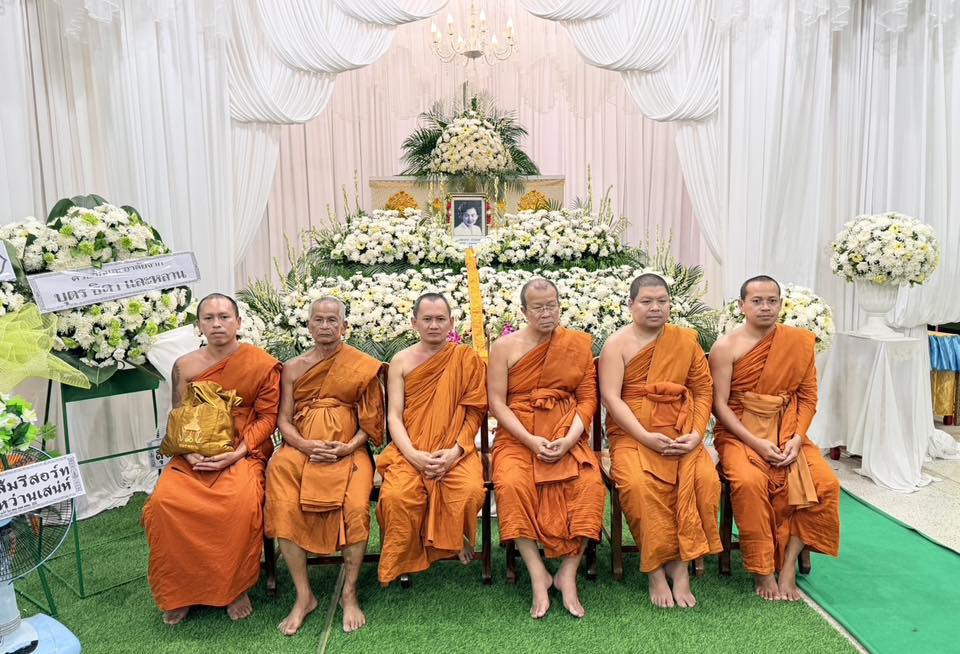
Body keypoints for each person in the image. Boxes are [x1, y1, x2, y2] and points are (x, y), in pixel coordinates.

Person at [143, 293, 281, 624]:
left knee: (239, 504)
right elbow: (178, 413)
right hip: (193, 451)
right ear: (199, 326)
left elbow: (268, 418)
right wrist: (189, 453)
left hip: (242, 451)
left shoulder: (261, 363)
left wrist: (235, 454)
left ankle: (234, 588)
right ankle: (181, 592)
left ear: (238, 323)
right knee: (164, 504)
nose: (217, 324)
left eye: (224, 317)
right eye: (209, 318)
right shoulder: (185, 365)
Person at [710, 275, 840, 601]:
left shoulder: (798, 342)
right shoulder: (725, 347)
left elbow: (808, 398)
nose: (765, 307)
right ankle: (763, 569)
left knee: (824, 484)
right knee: (749, 482)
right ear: (742, 306)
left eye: (772, 301)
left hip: (787, 431)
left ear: (781, 305)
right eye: (757, 301)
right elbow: (719, 405)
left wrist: (797, 438)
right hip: (739, 433)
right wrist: (755, 443)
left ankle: (789, 564)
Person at [599, 274, 721, 608]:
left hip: (681, 431)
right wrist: (644, 436)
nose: (656, 307)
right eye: (647, 301)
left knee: (704, 480)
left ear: (670, 304)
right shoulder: (617, 345)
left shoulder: (685, 340)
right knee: (638, 486)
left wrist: (696, 434)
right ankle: (654, 570)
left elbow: (702, 389)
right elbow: (611, 398)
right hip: (632, 434)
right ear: (631, 305)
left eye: (662, 301)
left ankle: (680, 567)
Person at [265, 297, 383, 635]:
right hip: (299, 450)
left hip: (349, 451)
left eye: (333, 320)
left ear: (345, 326)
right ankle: (304, 596)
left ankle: (349, 592)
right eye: (319, 320)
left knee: (356, 508)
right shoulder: (292, 368)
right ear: (309, 326)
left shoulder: (362, 365)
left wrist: (348, 447)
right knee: (284, 503)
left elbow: (370, 422)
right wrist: (304, 445)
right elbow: (283, 420)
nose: (326, 326)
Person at [488, 278, 604, 619]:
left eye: (551, 306)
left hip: (566, 431)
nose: (546, 313)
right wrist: (529, 440)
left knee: (590, 485)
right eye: (538, 308)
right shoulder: (504, 347)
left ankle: (568, 572)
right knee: (512, 485)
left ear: (559, 306)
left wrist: (568, 440)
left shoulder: (576, 345)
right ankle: (538, 572)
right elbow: (497, 403)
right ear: (524, 311)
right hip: (518, 437)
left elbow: (587, 399)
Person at [376, 293, 487, 585]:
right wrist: (413, 455)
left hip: (455, 448)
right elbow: (394, 417)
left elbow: (475, 412)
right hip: (410, 449)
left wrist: (455, 452)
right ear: (414, 323)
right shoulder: (401, 361)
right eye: (427, 319)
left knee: (469, 491)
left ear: (451, 322)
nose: (434, 325)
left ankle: (452, 538)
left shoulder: (466, 359)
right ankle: (410, 555)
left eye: (440, 319)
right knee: (397, 496)